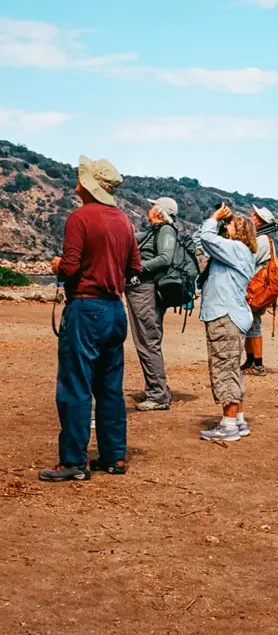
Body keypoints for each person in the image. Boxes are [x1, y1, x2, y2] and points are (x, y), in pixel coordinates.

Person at [39, 156, 141, 482]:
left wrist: (57, 266)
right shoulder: (124, 220)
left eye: (80, 179)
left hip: (86, 307)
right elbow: (134, 269)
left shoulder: (79, 218)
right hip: (114, 309)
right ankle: (114, 457)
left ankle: (73, 461)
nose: (76, 183)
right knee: (110, 386)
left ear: (88, 185)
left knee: (75, 385)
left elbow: (69, 267)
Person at [195, 204, 257, 443]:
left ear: (239, 231)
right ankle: (238, 420)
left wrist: (213, 218)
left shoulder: (237, 249)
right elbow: (200, 240)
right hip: (230, 315)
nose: (225, 226)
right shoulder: (235, 251)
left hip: (225, 316)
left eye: (229, 224)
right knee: (232, 368)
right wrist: (215, 222)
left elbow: (207, 238)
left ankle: (228, 425)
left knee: (224, 368)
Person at [126, 197, 179, 412]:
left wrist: (136, 268)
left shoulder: (165, 231)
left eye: (151, 206)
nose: (148, 209)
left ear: (159, 211)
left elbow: (165, 258)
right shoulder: (153, 232)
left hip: (145, 292)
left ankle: (158, 395)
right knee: (147, 340)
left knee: (148, 341)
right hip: (143, 290)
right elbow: (129, 238)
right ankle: (158, 389)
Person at [242, 205, 278, 376]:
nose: (251, 215)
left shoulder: (262, 240)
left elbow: (248, 260)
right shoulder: (264, 239)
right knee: (250, 325)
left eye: (255, 215)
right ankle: (251, 361)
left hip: (255, 288)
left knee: (254, 325)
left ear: (260, 220)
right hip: (258, 287)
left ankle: (257, 364)